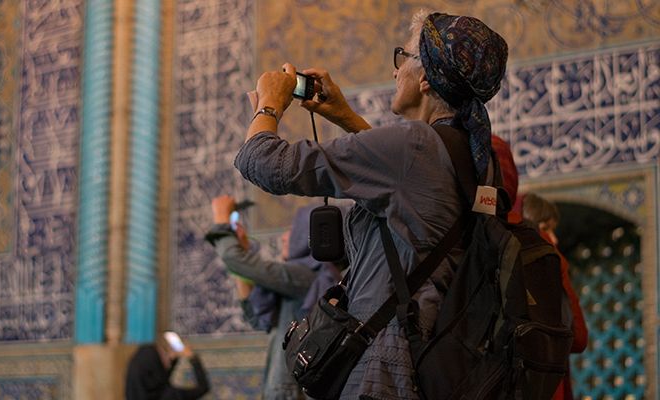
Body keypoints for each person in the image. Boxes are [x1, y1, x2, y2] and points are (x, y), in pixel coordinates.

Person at [234, 9, 508, 399]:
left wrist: (268, 105)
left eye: (404, 58)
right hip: (432, 359)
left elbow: (262, 163)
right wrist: (346, 117)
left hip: (386, 370)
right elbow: (410, 190)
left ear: (427, 78)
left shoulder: (413, 145)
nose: (396, 72)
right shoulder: (474, 155)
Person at [206, 195, 341, 399]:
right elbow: (254, 316)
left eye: (292, 232)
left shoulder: (309, 278)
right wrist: (241, 251)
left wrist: (222, 219)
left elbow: (234, 260)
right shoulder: (301, 283)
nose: (285, 237)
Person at [519, 192, 589, 400]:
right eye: (547, 228)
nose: (555, 238)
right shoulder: (547, 256)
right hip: (546, 376)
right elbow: (579, 338)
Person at [125, 334, 210, 400]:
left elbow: (161, 379)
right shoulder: (171, 396)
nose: (168, 359)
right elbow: (203, 388)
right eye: (163, 355)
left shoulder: (133, 392)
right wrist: (192, 358)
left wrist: (173, 359)